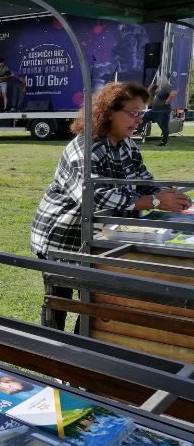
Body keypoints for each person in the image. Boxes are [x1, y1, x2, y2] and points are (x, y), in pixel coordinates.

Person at [30, 81, 191, 330]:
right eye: (133, 113)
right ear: (108, 112)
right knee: (59, 299)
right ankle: (52, 350)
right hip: (62, 237)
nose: (139, 120)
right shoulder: (86, 149)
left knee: (95, 296)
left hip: (97, 235)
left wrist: (169, 195)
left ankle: (83, 348)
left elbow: (142, 181)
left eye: (142, 113)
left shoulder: (126, 143)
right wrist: (155, 201)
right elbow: (94, 199)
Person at [140, 75, 177, 146]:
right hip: (154, 111)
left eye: (157, 80)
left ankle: (164, 142)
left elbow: (173, 93)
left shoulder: (166, 86)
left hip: (162, 111)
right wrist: (149, 89)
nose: (156, 81)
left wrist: (168, 101)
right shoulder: (159, 88)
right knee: (142, 118)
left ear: (161, 81)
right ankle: (139, 131)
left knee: (163, 126)